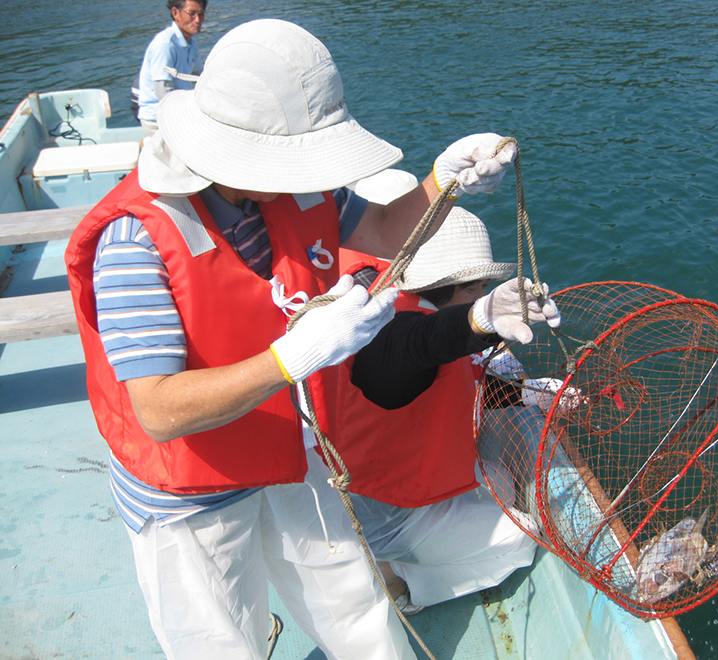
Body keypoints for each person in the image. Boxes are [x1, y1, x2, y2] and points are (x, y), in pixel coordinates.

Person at [65, 19, 518, 660]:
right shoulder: (135, 242)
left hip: (281, 441)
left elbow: (388, 229)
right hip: (190, 489)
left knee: (353, 601)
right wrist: (295, 354)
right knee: (222, 639)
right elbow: (158, 410)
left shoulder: (285, 192)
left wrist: (445, 180)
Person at [329, 173, 564, 613]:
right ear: (447, 288)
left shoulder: (396, 301)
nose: (485, 296)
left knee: (498, 477)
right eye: (475, 289)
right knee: (521, 539)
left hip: (391, 483)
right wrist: (477, 321)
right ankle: (401, 587)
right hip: (383, 516)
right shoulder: (391, 341)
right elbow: (421, 343)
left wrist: (537, 394)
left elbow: (453, 383)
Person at [136, 0, 206, 136]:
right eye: (191, 14)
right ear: (175, 13)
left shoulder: (191, 43)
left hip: (179, 111)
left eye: (201, 14)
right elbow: (162, 92)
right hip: (157, 118)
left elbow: (199, 78)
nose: (197, 20)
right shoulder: (165, 44)